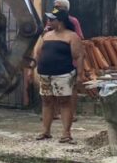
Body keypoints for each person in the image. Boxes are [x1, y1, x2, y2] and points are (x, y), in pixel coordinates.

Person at [31, 10, 83, 143]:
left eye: (52, 19)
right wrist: (31, 69)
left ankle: (66, 133)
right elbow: (37, 53)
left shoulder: (71, 36)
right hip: (45, 73)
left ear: (60, 21)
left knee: (64, 103)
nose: (49, 22)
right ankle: (45, 131)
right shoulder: (46, 35)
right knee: (47, 101)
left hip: (63, 74)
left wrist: (80, 75)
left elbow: (79, 56)